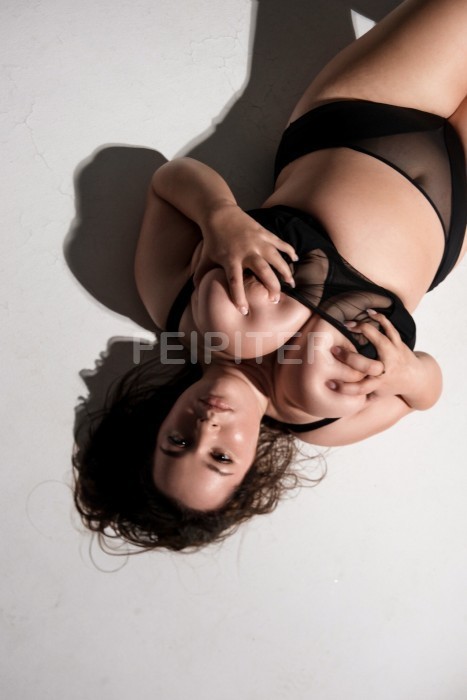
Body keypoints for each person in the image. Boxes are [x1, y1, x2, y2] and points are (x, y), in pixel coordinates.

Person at [73, 0, 467, 552]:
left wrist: (222, 220)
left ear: (154, 426)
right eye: (220, 457)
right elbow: (425, 394)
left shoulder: (174, 305)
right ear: (251, 467)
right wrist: (405, 372)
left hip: (369, 114)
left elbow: (169, 180)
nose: (208, 428)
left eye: (178, 441)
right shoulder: (325, 424)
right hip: (452, 213)